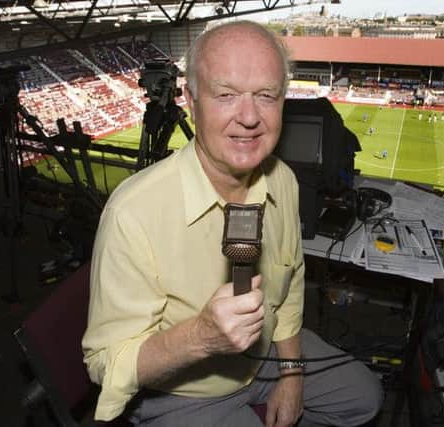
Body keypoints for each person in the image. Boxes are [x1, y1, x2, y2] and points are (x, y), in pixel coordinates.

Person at [82, 21, 383, 427]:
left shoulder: (284, 182)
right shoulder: (132, 213)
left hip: (267, 358)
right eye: (225, 95)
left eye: (266, 96)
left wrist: (292, 375)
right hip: (181, 393)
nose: (249, 117)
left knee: (365, 399)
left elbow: (290, 287)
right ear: (190, 100)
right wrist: (201, 336)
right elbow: (106, 364)